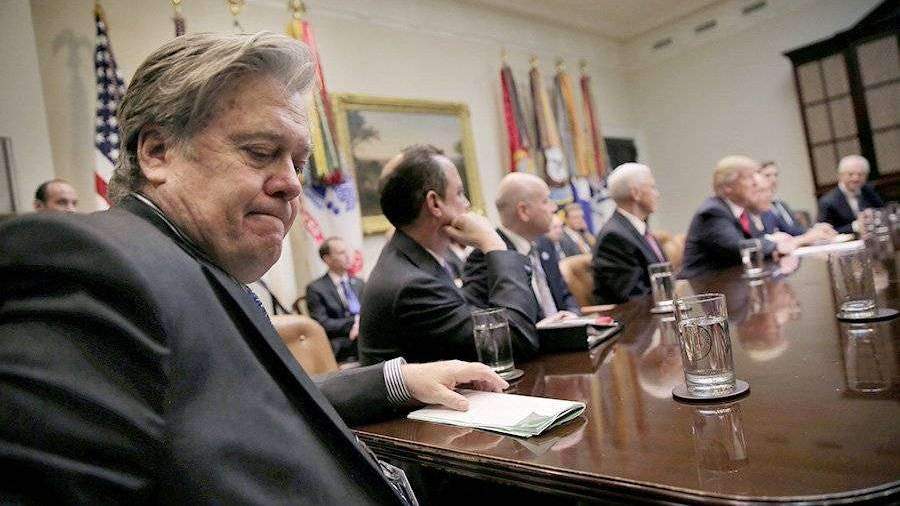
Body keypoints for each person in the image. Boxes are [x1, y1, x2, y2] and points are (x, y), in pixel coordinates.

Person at [0, 32, 508, 504]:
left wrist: (398, 379)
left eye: (297, 163)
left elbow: (238, 398)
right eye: (261, 152)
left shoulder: (191, 266)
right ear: (157, 152)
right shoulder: (95, 266)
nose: (291, 184)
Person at [359, 145, 539, 366]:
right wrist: (493, 244)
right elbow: (514, 342)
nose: (467, 204)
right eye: (460, 193)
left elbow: (467, 310)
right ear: (435, 203)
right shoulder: (412, 285)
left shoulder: (409, 258)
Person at [463, 172, 580, 320]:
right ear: (524, 211)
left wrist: (572, 315)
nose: (554, 207)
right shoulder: (487, 256)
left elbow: (565, 295)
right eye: (546, 201)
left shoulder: (545, 243)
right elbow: (487, 319)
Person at [681, 155, 795, 279]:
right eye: (749, 177)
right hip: (703, 286)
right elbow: (738, 247)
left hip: (730, 281)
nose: (756, 183)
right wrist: (774, 243)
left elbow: (755, 241)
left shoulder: (740, 211)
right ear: (728, 187)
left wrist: (772, 242)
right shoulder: (713, 212)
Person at [591, 163, 666, 304]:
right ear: (636, 193)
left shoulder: (638, 229)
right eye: (652, 187)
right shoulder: (614, 237)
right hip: (637, 315)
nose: (657, 194)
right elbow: (634, 297)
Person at [305, 236, 365, 362]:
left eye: (348, 251)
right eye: (342, 253)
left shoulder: (359, 283)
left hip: (364, 336)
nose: (348, 256)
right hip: (341, 343)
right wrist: (354, 323)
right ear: (327, 259)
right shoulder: (316, 288)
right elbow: (322, 323)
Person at [751, 173, 836, 246]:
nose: (769, 194)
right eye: (762, 190)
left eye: (769, 190)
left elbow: (790, 231)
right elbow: (765, 246)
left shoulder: (769, 213)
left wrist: (813, 230)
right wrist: (806, 238)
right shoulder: (747, 217)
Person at [818, 155, 884, 233]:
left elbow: (882, 211)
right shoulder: (827, 202)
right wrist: (855, 226)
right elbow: (824, 231)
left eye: (860, 174)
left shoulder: (869, 191)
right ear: (840, 176)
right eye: (850, 174)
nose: (856, 178)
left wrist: (874, 214)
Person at [757, 161, 805, 236]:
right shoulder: (757, 208)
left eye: (776, 175)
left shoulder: (781, 205)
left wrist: (812, 232)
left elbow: (795, 229)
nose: (773, 180)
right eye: (767, 175)